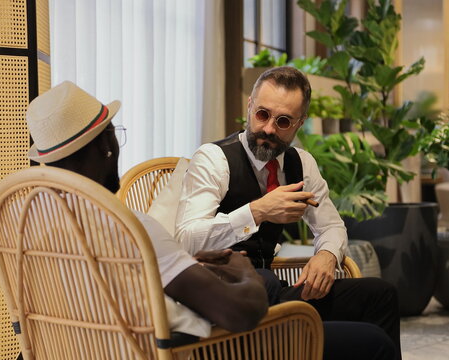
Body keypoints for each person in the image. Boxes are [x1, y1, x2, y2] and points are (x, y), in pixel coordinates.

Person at [175, 66, 401, 359]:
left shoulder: (301, 165)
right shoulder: (215, 160)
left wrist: (327, 256)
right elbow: (186, 240)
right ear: (249, 107)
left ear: (299, 123)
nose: (268, 128)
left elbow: (332, 226)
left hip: (271, 297)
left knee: (380, 295)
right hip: (226, 307)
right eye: (262, 114)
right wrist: (257, 212)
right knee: (367, 340)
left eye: (283, 121)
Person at [24, 81, 268, 339]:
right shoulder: (128, 228)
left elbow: (89, 286)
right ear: (105, 145)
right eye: (114, 133)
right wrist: (244, 269)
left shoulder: (28, 224)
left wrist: (172, 265)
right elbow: (241, 312)